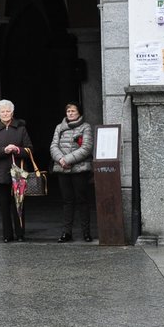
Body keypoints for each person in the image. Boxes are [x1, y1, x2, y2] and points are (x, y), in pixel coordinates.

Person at [0, 99, 34, 244]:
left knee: (19, 204)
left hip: (18, 173)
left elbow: (30, 148)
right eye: (2, 111)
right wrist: (3, 150)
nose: (5, 114)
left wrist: (17, 149)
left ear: (12, 113)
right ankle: (7, 235)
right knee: (4, 205)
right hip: (1, 173)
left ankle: (20, 233)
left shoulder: (20, 128)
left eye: (8, 111)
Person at [50, 102, 95, 242]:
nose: (70, 113)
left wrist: (68, 159)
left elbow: (86, 147)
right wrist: (61, 159)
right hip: (62, 169)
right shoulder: (59, 127)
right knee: (67, 201)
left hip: (79, 169)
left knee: (82, 201)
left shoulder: (85, 127)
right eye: (68, 111)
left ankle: (86, 232)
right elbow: (53, 146)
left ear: (79, 113)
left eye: (73, 111)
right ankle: (66, 232)